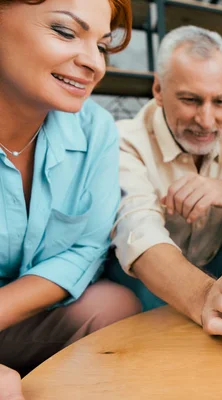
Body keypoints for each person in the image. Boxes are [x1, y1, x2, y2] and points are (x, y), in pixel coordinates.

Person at [0, 0, 141, 396]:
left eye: (103, 45)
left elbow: (86, 246)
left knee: (115, 306)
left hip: (16, 317)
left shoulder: (95, 129)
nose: (95, 63)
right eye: (65, 32)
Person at [108, 26, 222, 336]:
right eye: (190, 100)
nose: (206, 120)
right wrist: (203, 296)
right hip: (150, 276)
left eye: (220, 102)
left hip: (216, 261)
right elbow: (140, 238)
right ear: (159, 90)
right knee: (160, 311)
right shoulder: (124, 141)